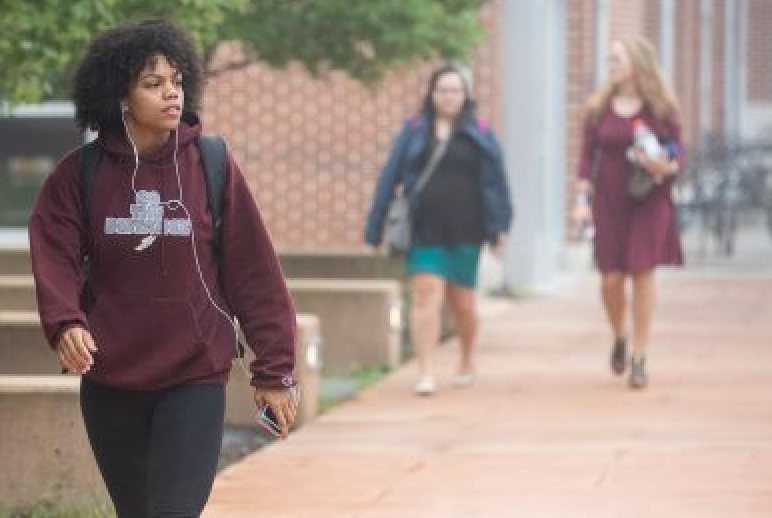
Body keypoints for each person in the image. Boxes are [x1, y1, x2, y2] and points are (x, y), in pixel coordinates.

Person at [28, 20, 298, 517]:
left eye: (176, 81)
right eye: (153, 84)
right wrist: (66, 321)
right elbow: (54, 254)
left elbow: (254, 271)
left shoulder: (212, 164)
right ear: (120, 97)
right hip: (111, 376)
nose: (171, 94)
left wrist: (275, 368)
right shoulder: (79, 174)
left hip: (193, 374)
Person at [365, 64, 513, 396]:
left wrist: (500, 227)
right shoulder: (415, 130)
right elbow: (390, 178)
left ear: (466, 95)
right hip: (424, 229)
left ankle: (466, 358)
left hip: (467, 229)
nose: (448, 96)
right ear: (432, 94)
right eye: (442, 90)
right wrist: (375, 229)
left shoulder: (481, 132)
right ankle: (427, 371)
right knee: (426, 295)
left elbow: (496, 183)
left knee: (463, 303)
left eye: (455, 90)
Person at [573, 36, 684, 390]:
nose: (612, 66)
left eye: (617, 59)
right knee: (611, 279)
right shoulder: (599, 108)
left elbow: (679, 151)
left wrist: (665, 165)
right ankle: (620, 333)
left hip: (650, 198)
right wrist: (581, 200)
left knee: (643, 272)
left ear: (637, 63)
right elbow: (586, 158)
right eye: (610, 60)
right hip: (609, 199)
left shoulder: (661, 108)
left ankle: (639, 355)